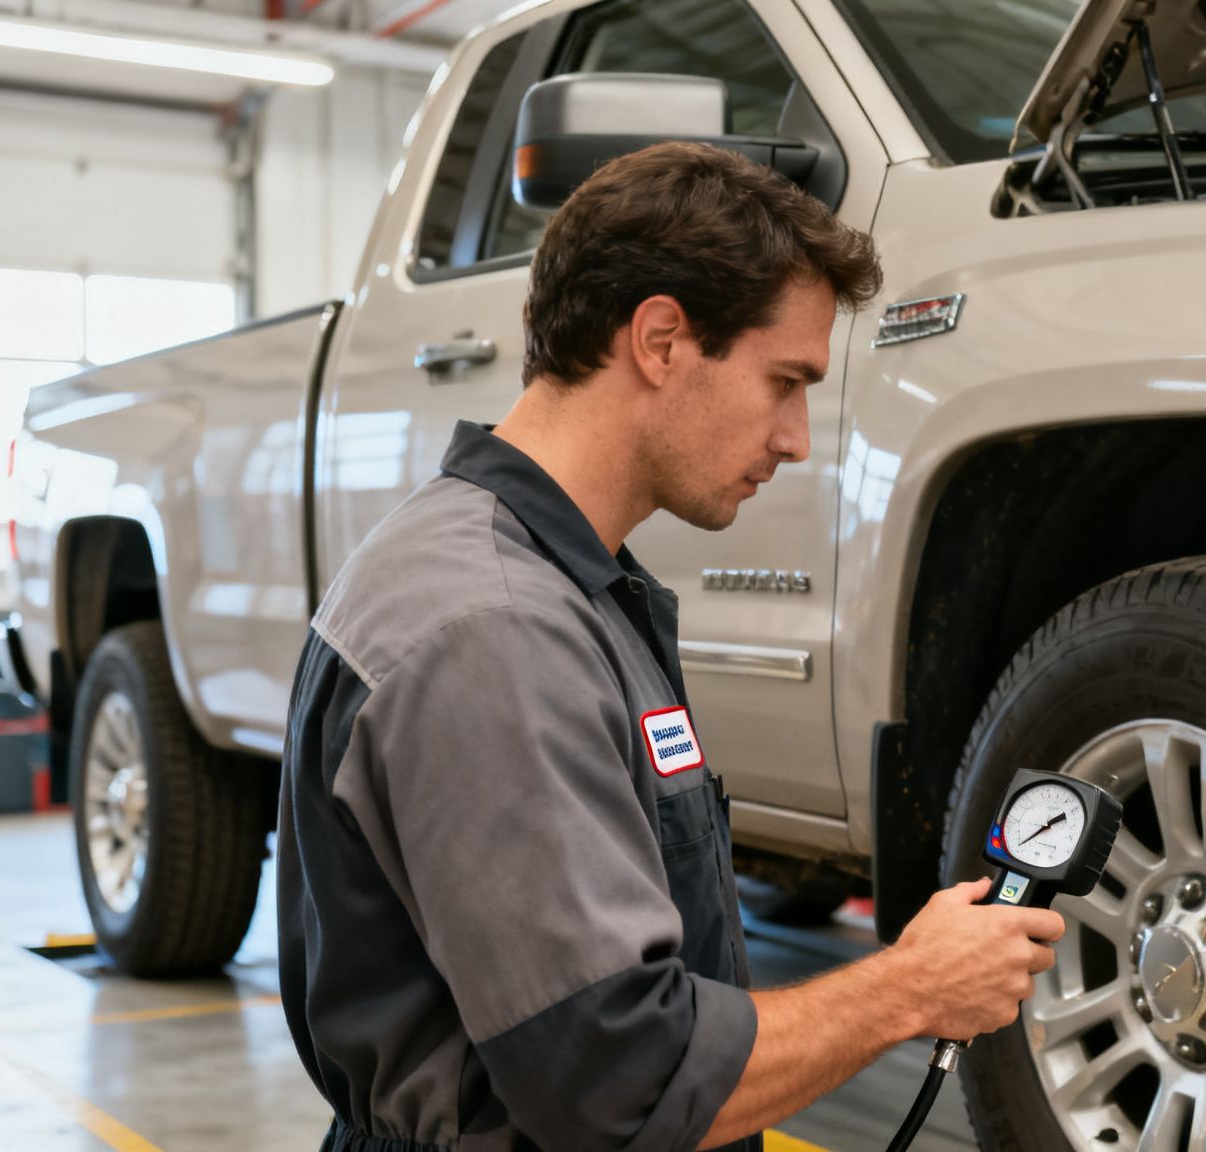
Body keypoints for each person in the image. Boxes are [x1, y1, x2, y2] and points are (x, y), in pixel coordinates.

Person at [276, 142, 1066, 1152]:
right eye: (783, 379)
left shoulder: (561, 584)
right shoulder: (496, 631)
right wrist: (910, 989)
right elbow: (620, 1080)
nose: (794, 437)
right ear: (658, 340)